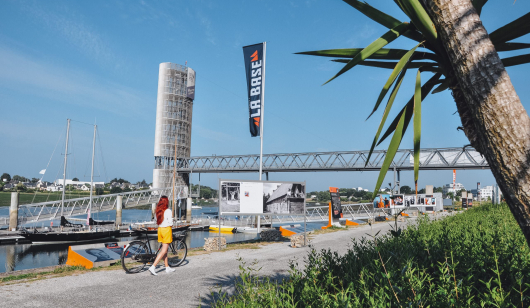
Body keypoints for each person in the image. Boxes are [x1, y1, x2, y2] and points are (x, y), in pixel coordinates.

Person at [148, 196, 175, 275]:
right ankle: (153, 266)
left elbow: (157, 221)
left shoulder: (158, 211)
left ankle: (167, 267)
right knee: (163, 251)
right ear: (166, 202)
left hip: (160, 230)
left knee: (165, 250)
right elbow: (170, 222)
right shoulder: (168, 211)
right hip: (166, 230)